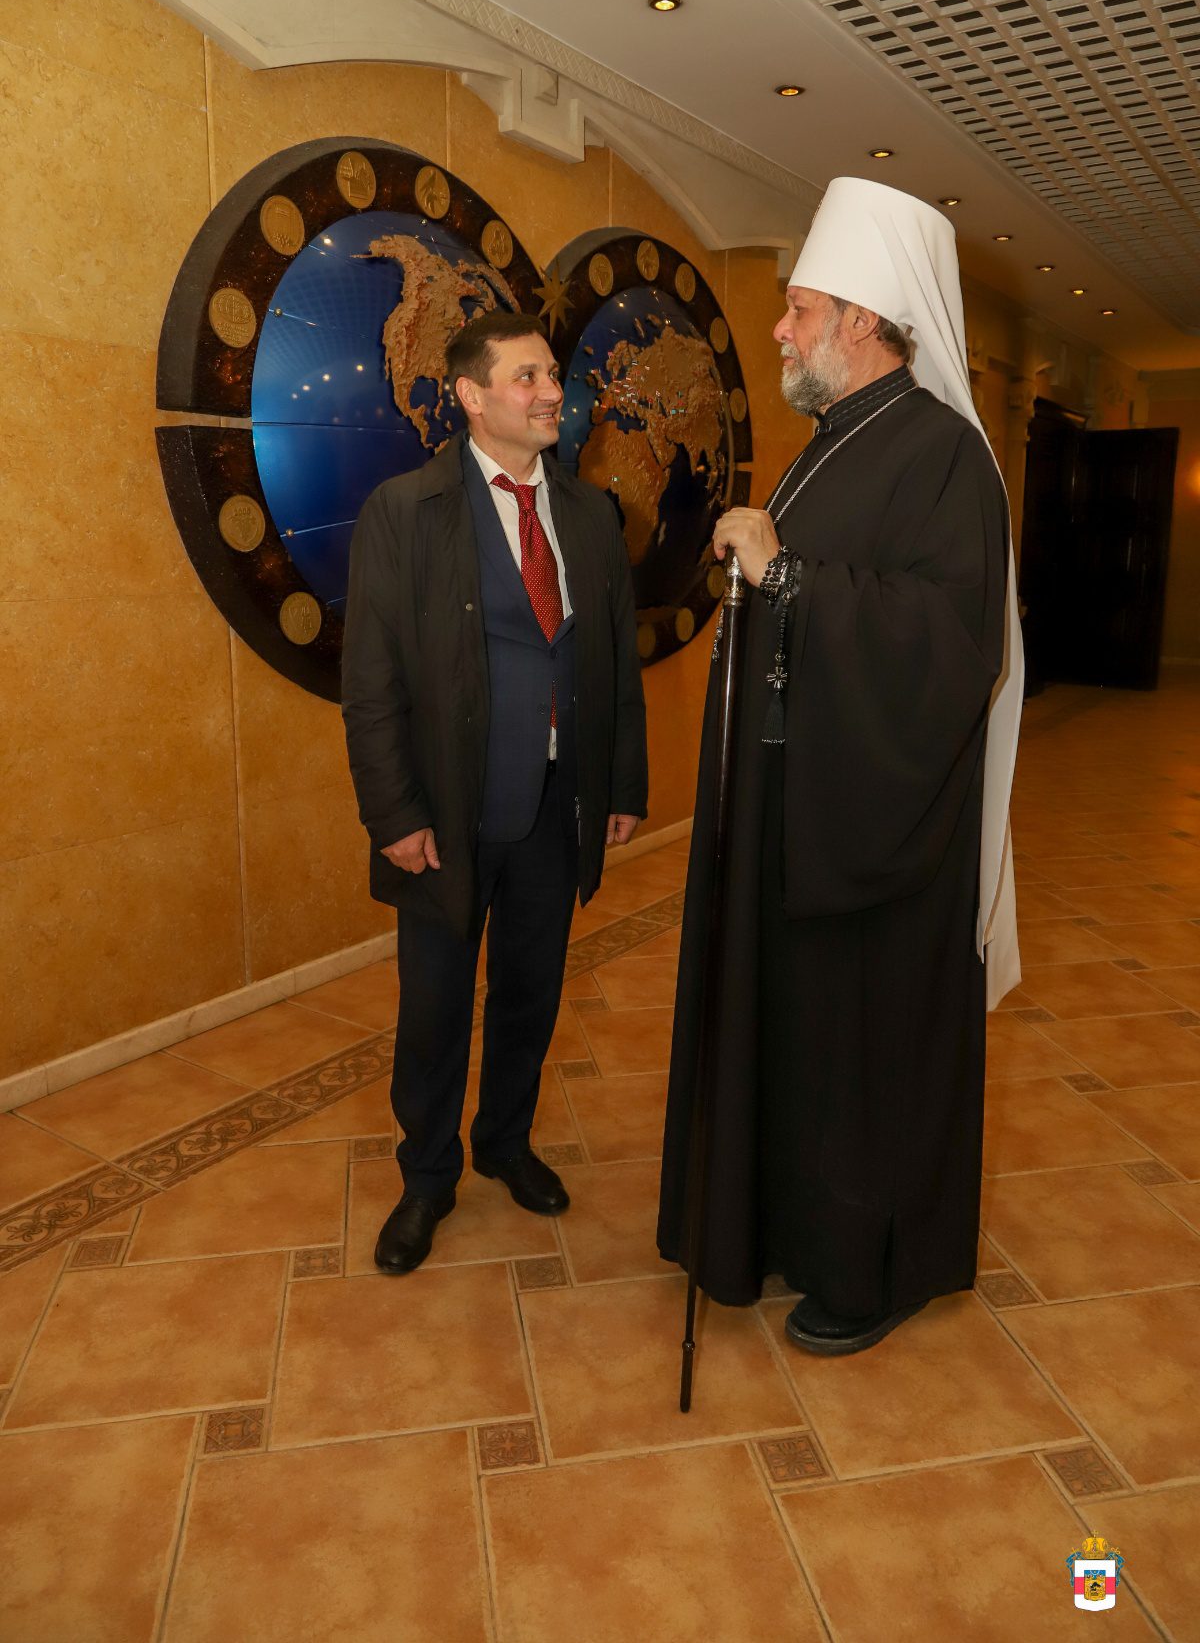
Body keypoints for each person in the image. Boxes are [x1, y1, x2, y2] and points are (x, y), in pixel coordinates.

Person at [658, 179, 1023, 1356]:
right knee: (797, 1041)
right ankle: (782, 1226)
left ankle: (875, 1270)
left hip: (878, 833)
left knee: (865, 1057)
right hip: (795, 807)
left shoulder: (945, 455)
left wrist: (788, 576)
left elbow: (950, 643)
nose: (780, 329)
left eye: (799, 308)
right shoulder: (833, 444)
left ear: (862, 320)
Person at [343, 309, 647, 1274]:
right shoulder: (407, 510)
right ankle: (426, 1177)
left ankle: (505, 1142)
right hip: (448, 814)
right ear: (473, 396)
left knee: (530, 992)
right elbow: (371, 680)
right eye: (528, 377)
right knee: (435, 1008)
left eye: (553, 374)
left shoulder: (590, 514)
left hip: (557, 807)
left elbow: (613, 663)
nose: (553, 392)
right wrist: (394, 815)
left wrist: (620, 783)